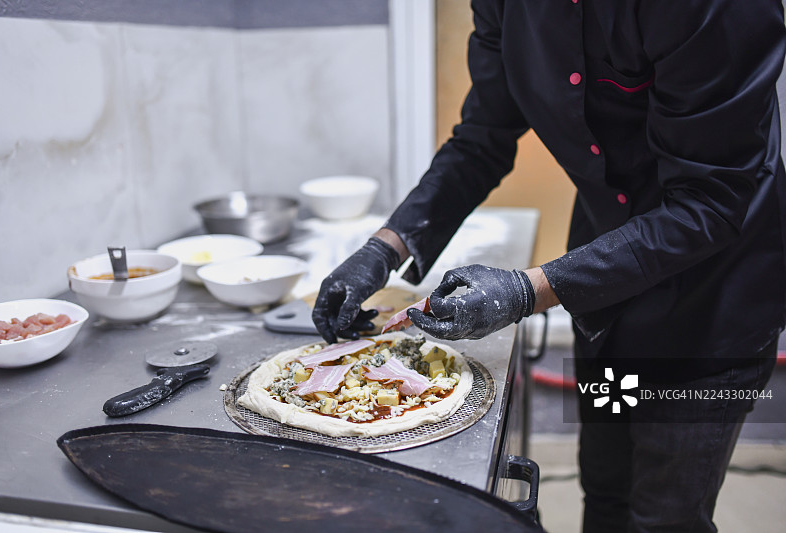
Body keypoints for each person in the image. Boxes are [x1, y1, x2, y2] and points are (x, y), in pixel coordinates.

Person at [312, 1, 786, 531]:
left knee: (664, 519)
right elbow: (482, 139)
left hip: (714, 299)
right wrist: (384, 248)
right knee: (606, 493)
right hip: (607, 285)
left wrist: (528, 290)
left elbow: (710, 201)